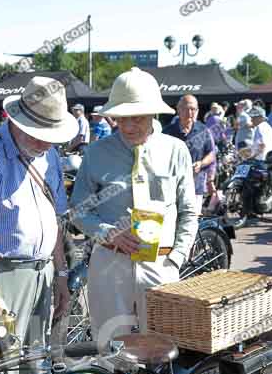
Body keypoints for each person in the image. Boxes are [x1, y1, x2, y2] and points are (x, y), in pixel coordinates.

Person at [0, 75, 75, 374]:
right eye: (38, 134)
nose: (45, 143)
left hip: (42, 275)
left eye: (51, 135)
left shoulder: (50, 157)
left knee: (34, 371)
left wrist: (60, 275)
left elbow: (55, 221)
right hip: (0, 277)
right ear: (16, 121)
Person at [70, 68, 198, 343]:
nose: (128, 126)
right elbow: (78, 210)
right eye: (121, 118)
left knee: (164, 350)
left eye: (137, 118)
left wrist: (176, 259)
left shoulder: (176, 151)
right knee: (110, 350)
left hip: (161, 266)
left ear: (154, 113)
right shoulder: (95, 153)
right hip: (108, 267)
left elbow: (189, 210)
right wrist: (107, 232)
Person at [163, 95, 216, 214]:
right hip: (172, 186)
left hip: (195, 186)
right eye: (186, 109)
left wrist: (201, 164)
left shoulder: (203, 130)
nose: (190, 112)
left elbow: (211, 154)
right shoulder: (167, 132)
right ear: (178, 109)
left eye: (193, 109)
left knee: (192, 220)